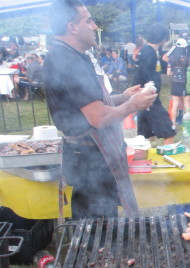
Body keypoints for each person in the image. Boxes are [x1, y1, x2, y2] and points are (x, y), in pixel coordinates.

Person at [44, 0, 157, 219]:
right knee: (96, 226)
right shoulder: (66, 59)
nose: (94, 26)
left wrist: (123, 98)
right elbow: (98, 117)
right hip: (89, 158)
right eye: (89, 21)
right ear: (72, 27)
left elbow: (91, 104)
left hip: (94, 156)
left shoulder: (74, 56)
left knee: (103, 220)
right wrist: (132, 105)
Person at [133, 23, 176, 145]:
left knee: (145, 136)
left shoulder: (151, 51)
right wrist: (148, 91)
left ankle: (146, 160)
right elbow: (143, 73)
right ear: (163, 38)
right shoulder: (148, 52)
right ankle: (168, 159)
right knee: (169, 132)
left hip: (145, 98)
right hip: (149, 98)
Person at [166, 36, 190, 126]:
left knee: (175, 104)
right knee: (187, 104)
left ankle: (173, 124)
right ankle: (188, 124)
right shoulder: (187, 58)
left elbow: (168, 73)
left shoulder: (171, 58)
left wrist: (175, 72)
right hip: (185, 83)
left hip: (175, 82)